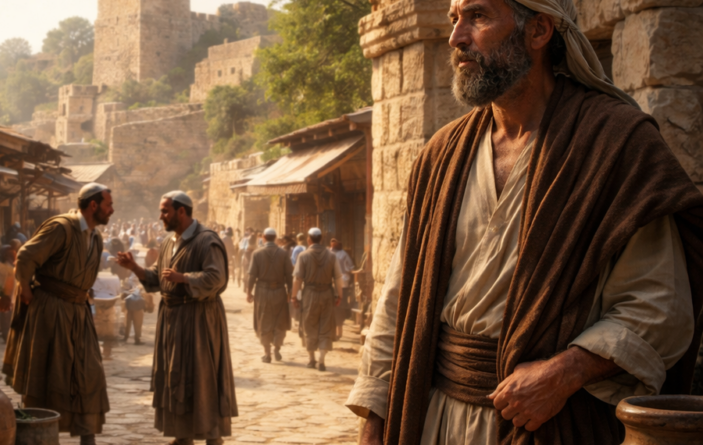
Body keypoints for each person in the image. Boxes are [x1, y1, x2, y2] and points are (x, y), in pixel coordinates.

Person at [347, 0, 703, 444]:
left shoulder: (615, 145)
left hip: (553, 421)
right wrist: (375, 417)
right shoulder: (441, 156)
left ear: (538, 31)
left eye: (477, 17)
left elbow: (658, 305)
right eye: (453, 19)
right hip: (435, 419)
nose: (457, 37)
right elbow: (400, 301)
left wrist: (566, 372)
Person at [116, 191, 238, 445]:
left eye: (165, 211)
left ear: (181, 212)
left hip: (199, 320)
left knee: (202, 376)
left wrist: (185, 278)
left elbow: (217, 279)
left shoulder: (207, 240)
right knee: (177, 375)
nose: (161, 216)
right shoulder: (170, 242)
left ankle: (213, 437)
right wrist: (135, 268)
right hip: (172, 320)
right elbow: (159, 276)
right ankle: (183, 435)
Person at [0, 183, 114, 445]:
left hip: (79, 313)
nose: (112, 209)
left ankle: (88, 438)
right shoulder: (61, 227)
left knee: (89, 374)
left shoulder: (95, 236)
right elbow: (26, 255)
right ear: (93, 205)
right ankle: (40, 436)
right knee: (47, 373)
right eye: (109, 204)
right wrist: (25, 289)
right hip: (51, 312)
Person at [290, 228, 343, 372]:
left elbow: (297, 279)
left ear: (308, 240)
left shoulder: (303, 255)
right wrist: (339, 295)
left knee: (309, 325)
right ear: (321, 239)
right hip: (327, 293)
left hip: (309, 294)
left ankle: (311, 359)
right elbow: (338, 278)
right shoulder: (332, 256)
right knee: (325, 324)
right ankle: (322, 360)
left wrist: (294, 296)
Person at [246, 228, 294, 363]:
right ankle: (277, 348)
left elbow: (252, 276)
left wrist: (249, 292)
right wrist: (291, 292)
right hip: (279, 291)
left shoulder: (257, 253)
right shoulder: (284, 254)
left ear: (264, 238)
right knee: (279, 320)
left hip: (262, 291)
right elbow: (290, 276)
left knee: (264, 319)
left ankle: (267, 354)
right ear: (275, 238)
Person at [330, 239, 355, 340]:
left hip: (330, 285)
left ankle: (333, 332)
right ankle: (339, 332)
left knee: (332, 309)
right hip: (343, 284)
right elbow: (350, 268)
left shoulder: (328, 253)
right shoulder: (344, 254)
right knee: (339, 308)